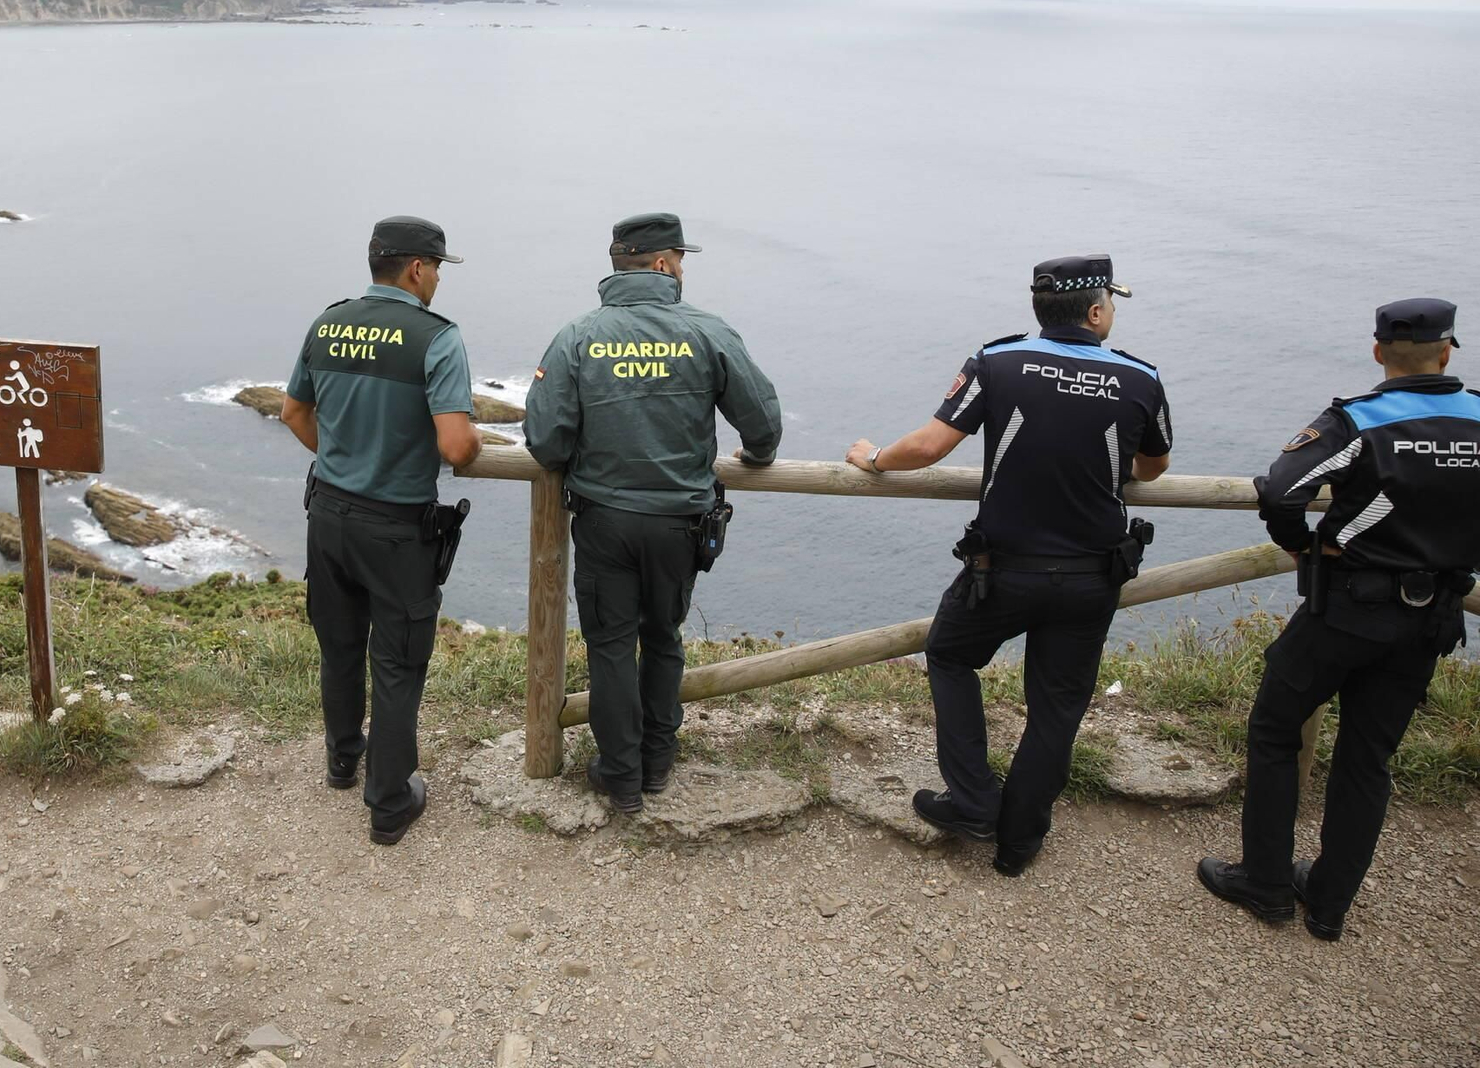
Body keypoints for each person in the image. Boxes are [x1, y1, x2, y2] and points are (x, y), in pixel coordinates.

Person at [845, 255, 1172, 874]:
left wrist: (874, 456)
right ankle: (1019, 840)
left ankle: (973, 800)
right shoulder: (1141, 378)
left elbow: (930, 446)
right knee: (1056, 705)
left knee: (948, 654)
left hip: (1003, 569)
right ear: (1097, 311)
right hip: (1091, 574)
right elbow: (1152, 467)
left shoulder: (997, 361)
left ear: (1039, 308)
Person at [1198, 298, 1480, 939]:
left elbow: (1279, 487)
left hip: (1351, 608)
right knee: (1368, 759)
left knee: (1275, 728)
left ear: (1379, 353)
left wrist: (1300, 544)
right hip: (1433, 615)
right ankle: (1328, 905)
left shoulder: (1360, 421)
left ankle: (1266, 883)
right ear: (1447, 351)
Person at [524, 213, 782, 813]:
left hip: (604, 516)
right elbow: (763, 425)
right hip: (678, 521)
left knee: (611, 643)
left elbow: (546, 440)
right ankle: (658, 762)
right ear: (664, 264)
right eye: (682, 260)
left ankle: (620, 776)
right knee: (662, 637)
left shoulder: (578, 336)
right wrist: (757, 455)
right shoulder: (709, 332)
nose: (683, 270)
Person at [280, 217, 482, 845]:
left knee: (339, 644)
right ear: (417, 269)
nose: (440, 279)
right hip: (396, 527)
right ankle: (390, 802)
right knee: (396, 661)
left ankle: (344, 759)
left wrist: (346, 457)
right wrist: (467, 443)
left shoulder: (328, 322)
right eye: (439, 268)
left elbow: (294, 413)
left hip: (330, 514)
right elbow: (456, 446)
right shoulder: (437, 338)